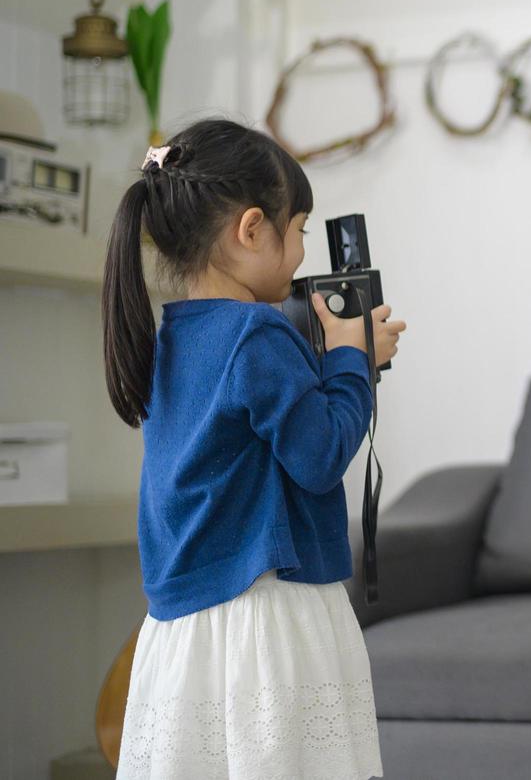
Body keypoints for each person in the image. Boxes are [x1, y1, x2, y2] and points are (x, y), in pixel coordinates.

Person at [101, 117, 406, 779]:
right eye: (297, 231)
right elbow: (319, 454)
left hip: (184, 634)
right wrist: (352, 358)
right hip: (267, 626)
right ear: (250, 229)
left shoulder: (172, 338)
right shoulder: (256, 336)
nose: (300, 253)